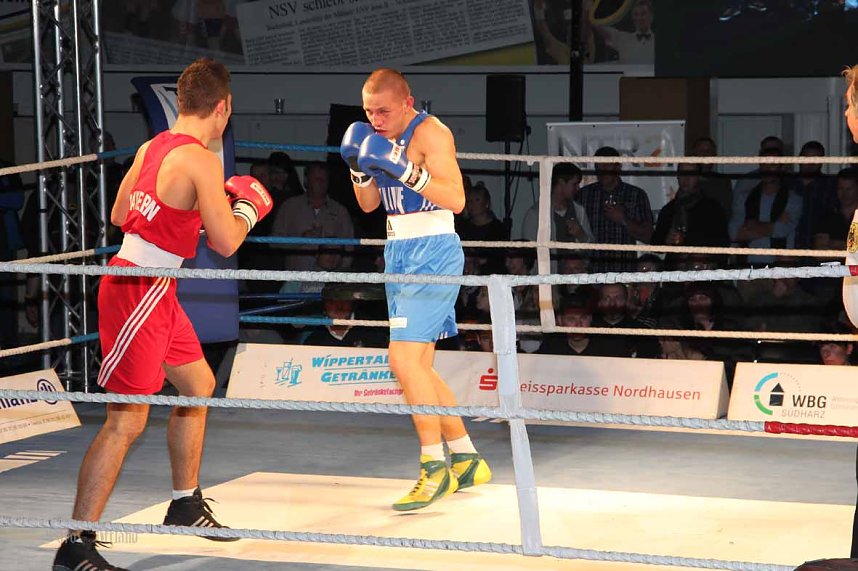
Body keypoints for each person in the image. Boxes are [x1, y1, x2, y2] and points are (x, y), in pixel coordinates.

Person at [53, 58, 273, 571]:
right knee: (125, 420)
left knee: (198, 385)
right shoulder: (200, 159)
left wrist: (182, 218)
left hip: (152, 286)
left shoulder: (153, 146)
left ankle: (184, 501)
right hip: (139, 291)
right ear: (223, 108)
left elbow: (119, 213)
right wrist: (247, 207)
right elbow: (226, 242)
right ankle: (76, 545)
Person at [339, 68, 491, 511]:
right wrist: (358, 168)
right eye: (368, 111)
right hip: (399, 250)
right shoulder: (372, 136)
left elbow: (458, 199)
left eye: (383, 111)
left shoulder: (432, 133)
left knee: (403, 360)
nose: (375, 119)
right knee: (420, 366)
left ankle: (433, 468)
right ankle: (466, 457)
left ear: (407, 103)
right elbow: (368, 205)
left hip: (433, 249)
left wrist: (406, 170)